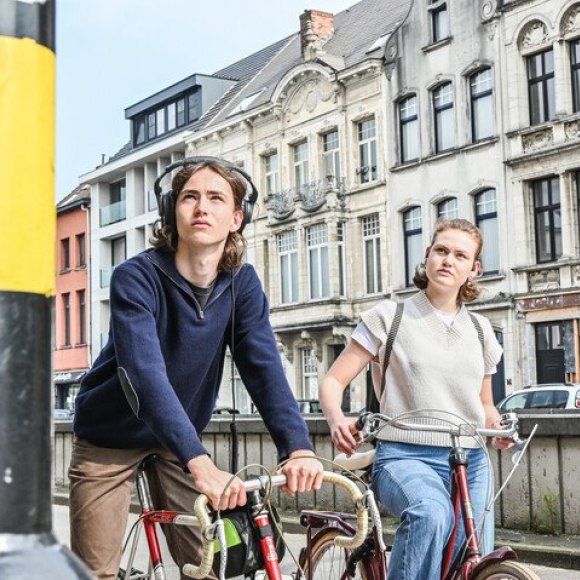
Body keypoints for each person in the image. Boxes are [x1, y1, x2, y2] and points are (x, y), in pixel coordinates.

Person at [69, 157, 323, 579]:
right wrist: (201, 463)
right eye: (190, 197)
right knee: (94, 571)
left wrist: (297, 446)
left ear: (236, 218)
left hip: (177, 442)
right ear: (173, 212)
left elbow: (263, 366)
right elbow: (144, 374)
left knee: (215, 565)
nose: (202, 207)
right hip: (110, 438)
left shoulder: (241, 283)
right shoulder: (136, 277)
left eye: (216, 198)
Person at [320, 218, 510, 580]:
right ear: (427, 255)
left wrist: (496, 427)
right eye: (441, 250)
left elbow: (484, 405)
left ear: (474, 269)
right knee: (430, 512)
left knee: (467, 560)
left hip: (471, 460)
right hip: (404, 455)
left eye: (460, 255)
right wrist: (335, 418)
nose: (447, 260)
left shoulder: (481, 330)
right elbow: (333, 380)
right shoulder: (389, 317)